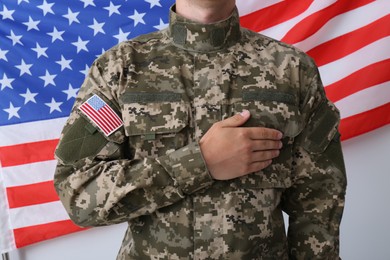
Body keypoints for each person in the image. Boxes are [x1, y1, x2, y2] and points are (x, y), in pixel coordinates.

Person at [54, 0, 347, 259]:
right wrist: (199, 162)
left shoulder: (292, 70)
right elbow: (78, 193)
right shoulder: (119, 69)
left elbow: (319, 200)